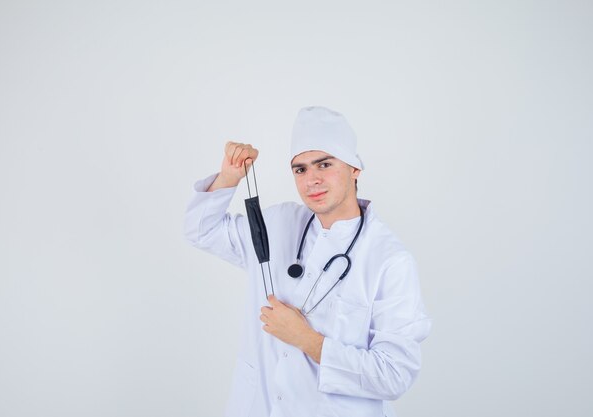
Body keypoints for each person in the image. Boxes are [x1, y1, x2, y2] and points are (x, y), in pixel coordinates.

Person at [184, 106, 431, 417]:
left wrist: (307, 340)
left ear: (355, 168)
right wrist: (229, 176)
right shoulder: (278, 223)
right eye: (300, 169)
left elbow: (394, 375)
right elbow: (200, 230)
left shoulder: (390, 260)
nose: (311, 180)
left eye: (323, 164)